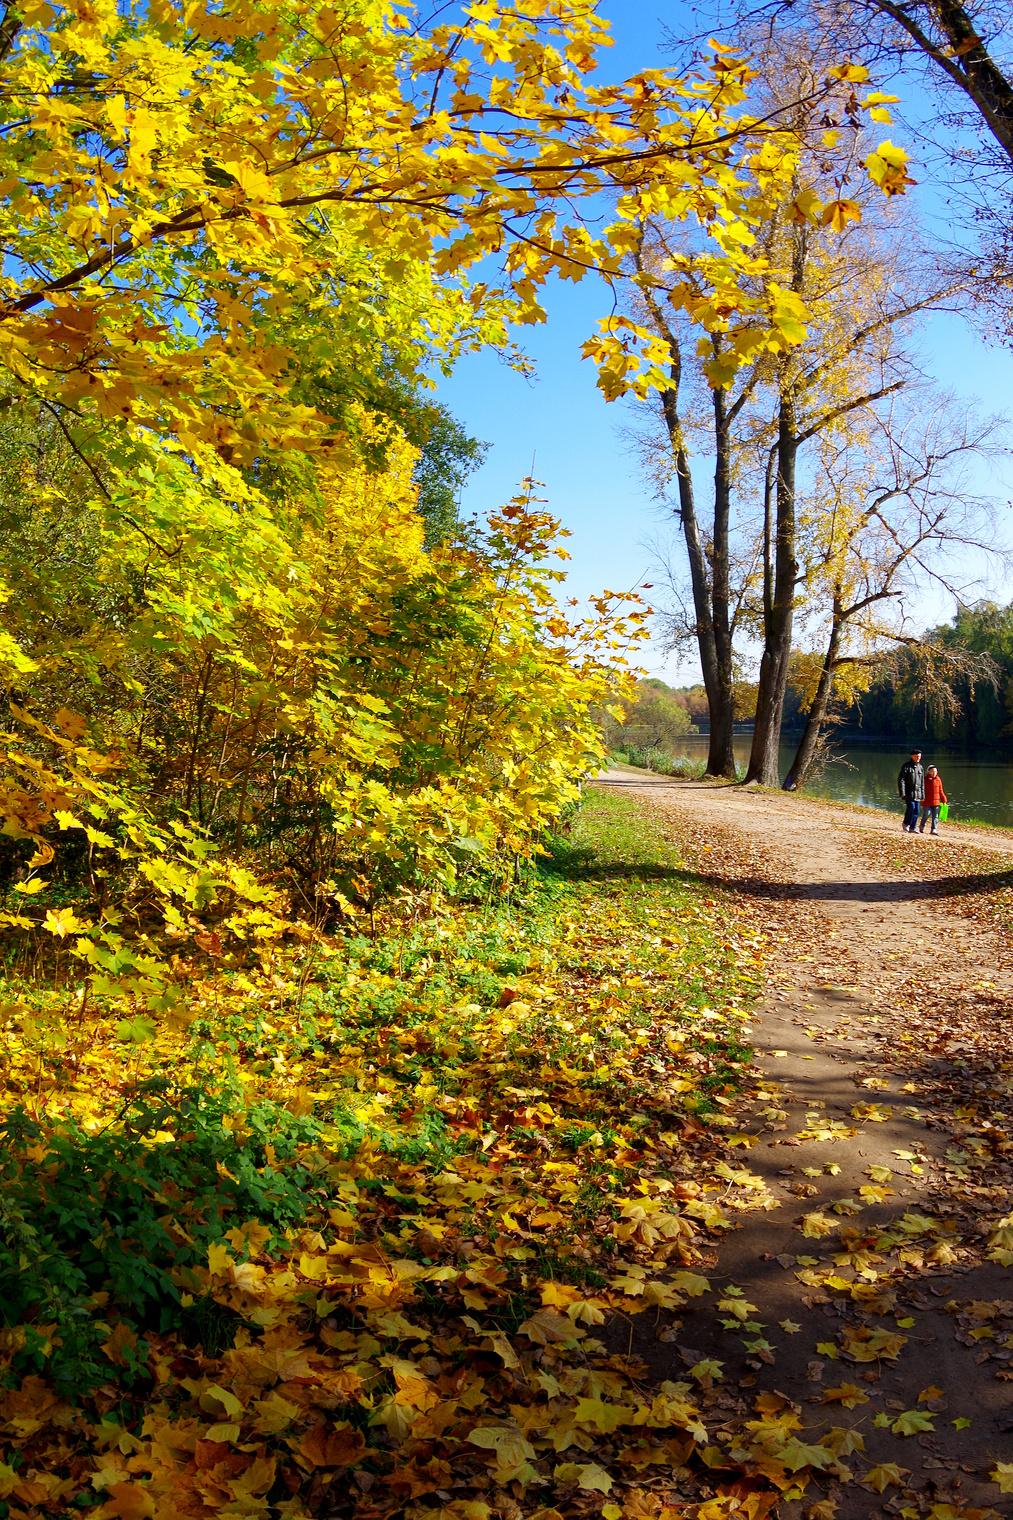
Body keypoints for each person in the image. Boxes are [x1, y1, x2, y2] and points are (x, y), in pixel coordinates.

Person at [897, 749, 924, 832]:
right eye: (916, 756)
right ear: (912, 756)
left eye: (919, 756)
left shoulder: (920, 767)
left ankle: (913, 827)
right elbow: (901, 780)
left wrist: (923, 795)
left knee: (917, 811)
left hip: (918, 793)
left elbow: (922, 782)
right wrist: (902, 792)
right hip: (909, 793)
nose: (918, 758)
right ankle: (906, 823)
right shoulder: (906, 766)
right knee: (911, 807)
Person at [919, 765, 947, 835]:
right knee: (927, 814)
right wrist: (921, 797)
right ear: (929, 772)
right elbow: (921, 790)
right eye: (932, 771)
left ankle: (933, 829)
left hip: (936, 801)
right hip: (926, 801)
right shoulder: (925, 780)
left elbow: (941, 790)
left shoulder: (938, 780)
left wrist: (944, 799)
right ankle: (922, 825)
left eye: (935, 771)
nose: (934, 773)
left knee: (935, 816)